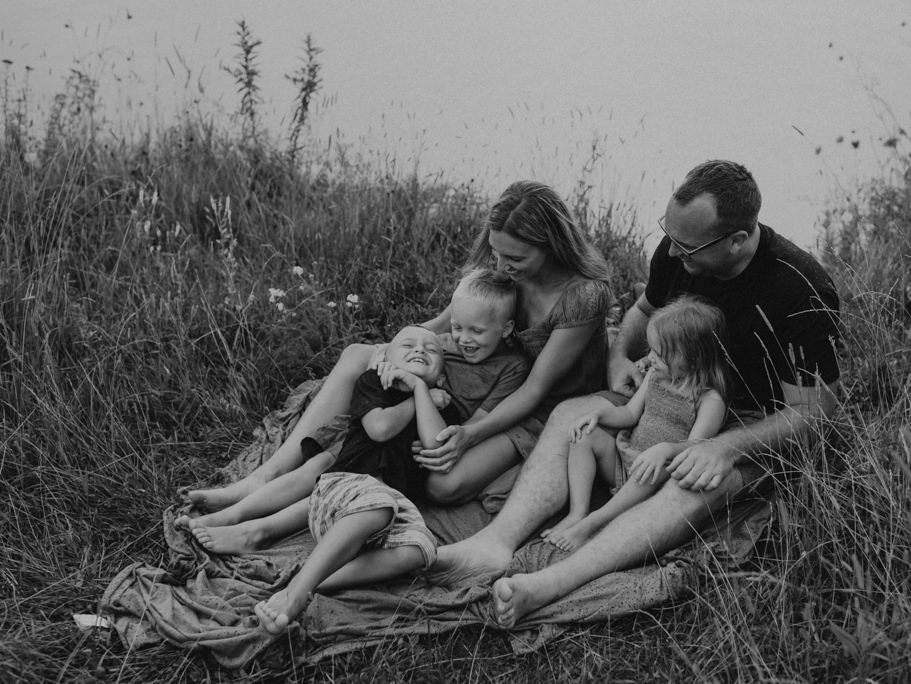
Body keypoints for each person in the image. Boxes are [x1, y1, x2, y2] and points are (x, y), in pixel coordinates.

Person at [427, 160, 842, 630]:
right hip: (668, 389)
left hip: (747, 422)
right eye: (670, 233)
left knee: (691, 483)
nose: (674, 252)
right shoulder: (677, 250)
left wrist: (723, 447)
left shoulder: (800, 289)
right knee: (571, 413)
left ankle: (547, 585)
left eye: (689, 247)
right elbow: (644, 310)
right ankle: (494, 544)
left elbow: (816, 410)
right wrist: (621, 355)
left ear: (737, 241)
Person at [185, 180, 612, 514]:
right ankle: (271, 472)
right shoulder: (507, 275)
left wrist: (469, 435)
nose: (502, 267)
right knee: (358, 355)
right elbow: (441, 325)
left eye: (514, 259)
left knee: (441, 485)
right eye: (497, 254)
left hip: (537, 407)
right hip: (480, 375)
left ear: (551, 244)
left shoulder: (583, 296)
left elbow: (536, 389)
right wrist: (394, 355)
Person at [178, 269, 530, 554]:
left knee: (337, 483)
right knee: (319, 464)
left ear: (507, 329)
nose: (462, 339)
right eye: (456, 328)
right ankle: (239, 505)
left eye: (476, 331)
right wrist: (391, 360)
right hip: (387, 420)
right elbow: (413, 344)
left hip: (415, 441)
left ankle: (256, 531)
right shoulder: (442, 344)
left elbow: (469, 427)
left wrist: (433, 406)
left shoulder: (509, 367)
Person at [250, 324, 451, 634]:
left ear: (441, 377)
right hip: (342, 489)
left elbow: (437, 445)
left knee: (423, 548)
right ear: (385, 361)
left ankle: (318, 578)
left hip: (389, 511)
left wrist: (423, 391)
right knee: (378, 503)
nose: (420, 350)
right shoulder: (373, 384)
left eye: (431, 349)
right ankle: (298, 593)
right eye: (408, 345)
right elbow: (380, 429)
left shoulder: (438, 404)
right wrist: (414, 395)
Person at [541, 295, 729, 552]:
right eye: (651, 349)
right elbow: (630, 414)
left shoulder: (708, 398)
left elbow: (696, 447)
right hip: (625, 461)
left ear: (693, 360)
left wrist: (665, 449)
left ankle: (596, 522)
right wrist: (598, 415)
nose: (650, 358)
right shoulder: (655, 376)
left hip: (656, 479)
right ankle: (578, 512)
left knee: (653, 470)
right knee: (584, 435)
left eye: (660, 354)